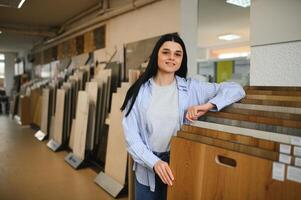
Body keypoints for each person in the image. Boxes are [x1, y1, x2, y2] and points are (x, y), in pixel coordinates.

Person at [121, 33, 245, 200]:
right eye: (166, 52)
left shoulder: (191, 88)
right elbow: (132, 137)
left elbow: (236, 89)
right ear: (156, 55)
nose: (171, 58)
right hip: (147, 165)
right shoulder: (139, 91)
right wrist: (155, 162)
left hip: (179, 162)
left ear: (182, 59)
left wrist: (208, 106)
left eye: (177, 54)